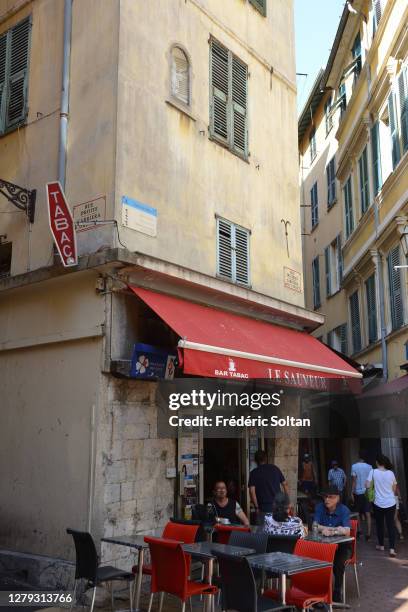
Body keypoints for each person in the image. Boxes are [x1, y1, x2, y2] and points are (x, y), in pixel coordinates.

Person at [314, 485, 351, 603]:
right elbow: (315, 526)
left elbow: (347, 531)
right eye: (325, 497)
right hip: (323, 545)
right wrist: (335, 529)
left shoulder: (344, 510)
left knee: (339, 563)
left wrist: (331, 531)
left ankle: (336, 590)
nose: (327, 500)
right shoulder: (320, 507)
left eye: (331, 497)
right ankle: (318, 592)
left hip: (342, 546)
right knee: (313, 560)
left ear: (338, 498)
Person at [366, 454, 397, 557]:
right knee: (390, 525)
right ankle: (392, 549)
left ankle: (381, 545)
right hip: (391, 502)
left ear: (377, 462)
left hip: (378, 503)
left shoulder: (373, 472)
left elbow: (367, 485)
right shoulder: (391, 473)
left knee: (379, 525)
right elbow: (394, 489)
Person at [248, 450, 289, 514]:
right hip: (278, 505)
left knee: (264, 524)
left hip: (263, 507)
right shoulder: (275, 469)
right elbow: (285, 484)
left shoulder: (254, 473)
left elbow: (251, 491)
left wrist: (256, 507)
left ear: (255, 460)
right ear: (266, 459)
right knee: (278, 523)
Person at [351, 452, 373, 541]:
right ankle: (368, 534)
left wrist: (351, 492)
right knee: (368, 513)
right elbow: (371, 482)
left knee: (357, 512)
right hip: (367, 492)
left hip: (358, 492)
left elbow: (354, 481)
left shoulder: (354, 466)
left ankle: (359, 531)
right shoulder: (370, 467)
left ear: (358, 457)